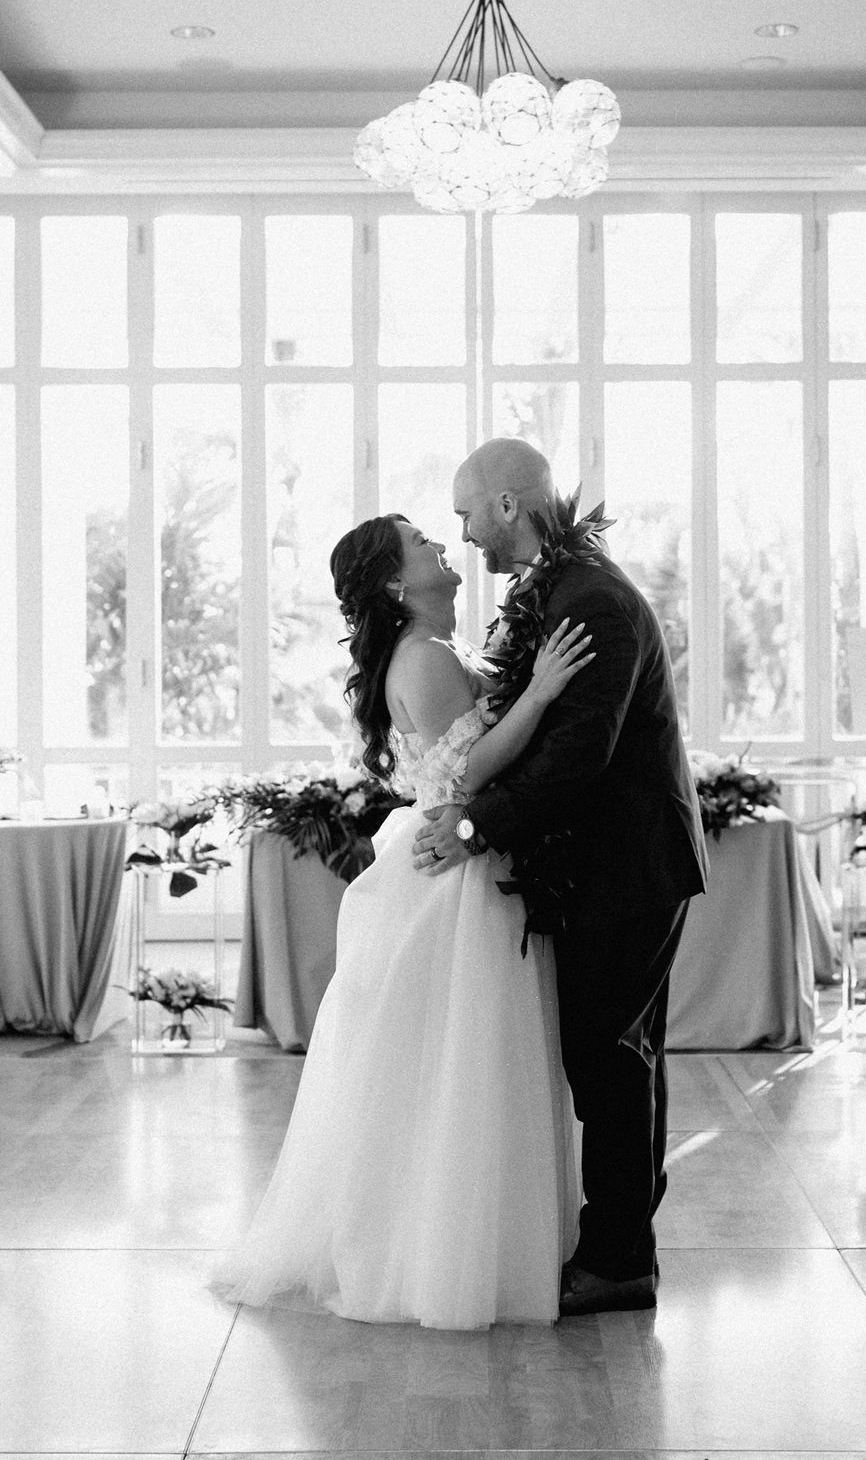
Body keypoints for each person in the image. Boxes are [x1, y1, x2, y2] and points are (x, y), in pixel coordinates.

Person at [213, 513, 594, 1329]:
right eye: (421, 542)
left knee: (463, 1064)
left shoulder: (440, 652)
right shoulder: (421, 658)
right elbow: (462, 771)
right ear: (395, 582)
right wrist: (543, 692)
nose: (440, 546)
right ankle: (443, 1258)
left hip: (463, 854)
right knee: (461, 1061)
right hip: (451, 872)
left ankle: (472, 1243)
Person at [414, 438, 708, 1317]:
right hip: (606, 865)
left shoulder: (592, 603)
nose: (462, 534)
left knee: (609, 1061)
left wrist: (472, 825)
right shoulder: (563, 589)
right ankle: (620, 1246)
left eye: (467, 513)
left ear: (510, 504)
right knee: (617, 1059)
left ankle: (620, 1259)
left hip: (628, 868)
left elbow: (580, 755)